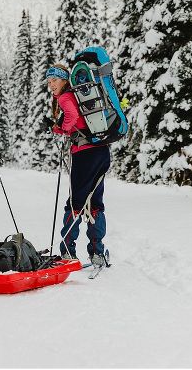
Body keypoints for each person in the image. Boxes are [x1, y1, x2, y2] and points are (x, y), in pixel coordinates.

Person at [47, 63, 111, 266]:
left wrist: (63, 128)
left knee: (75, 203)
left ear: (65, 80)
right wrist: (59, 127)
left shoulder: (66, 97)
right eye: (49, 81)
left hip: (84, 156)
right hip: (101, 152)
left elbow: (72, 118)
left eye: (54, 80)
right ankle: (97, 253)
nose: (51, 85)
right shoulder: (80, 97)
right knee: (95, 203)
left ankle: (67, 251)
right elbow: (77, 121)